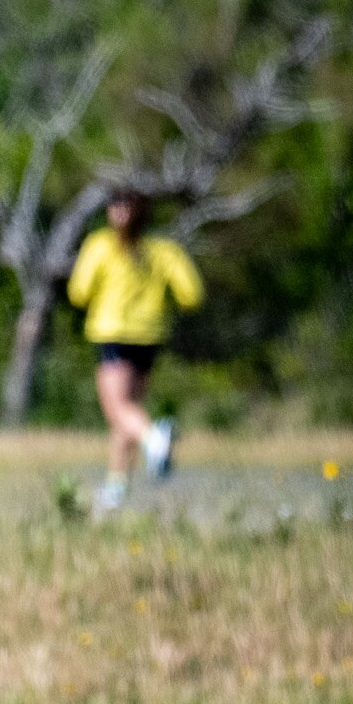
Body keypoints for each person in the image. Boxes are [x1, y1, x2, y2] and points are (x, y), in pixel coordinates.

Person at [67, 188, 202, 513]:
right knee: (128, 413)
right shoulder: (164, 250)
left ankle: (155, 439)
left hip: (112, 333)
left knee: (118, 411)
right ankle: (116, 487)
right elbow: (191, 294)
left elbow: (78, 292)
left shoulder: (100, 245)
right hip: (150, 336)